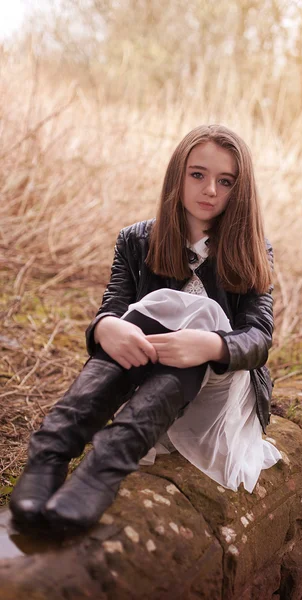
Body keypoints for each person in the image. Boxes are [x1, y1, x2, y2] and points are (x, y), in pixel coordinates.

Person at [10, 124, 282, 533]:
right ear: (178, 176)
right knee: (139, 315)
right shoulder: (136, 240)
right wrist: (106, 329)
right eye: (198, 174)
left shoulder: (251, 248)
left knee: (199, 317)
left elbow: (258, 339)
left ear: (238, 191)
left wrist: (208, 345)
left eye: (225, 181)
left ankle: (105, 465)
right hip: (150, 376)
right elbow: (115, 308)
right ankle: (52, 449)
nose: (210, 189)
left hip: (220, 388)